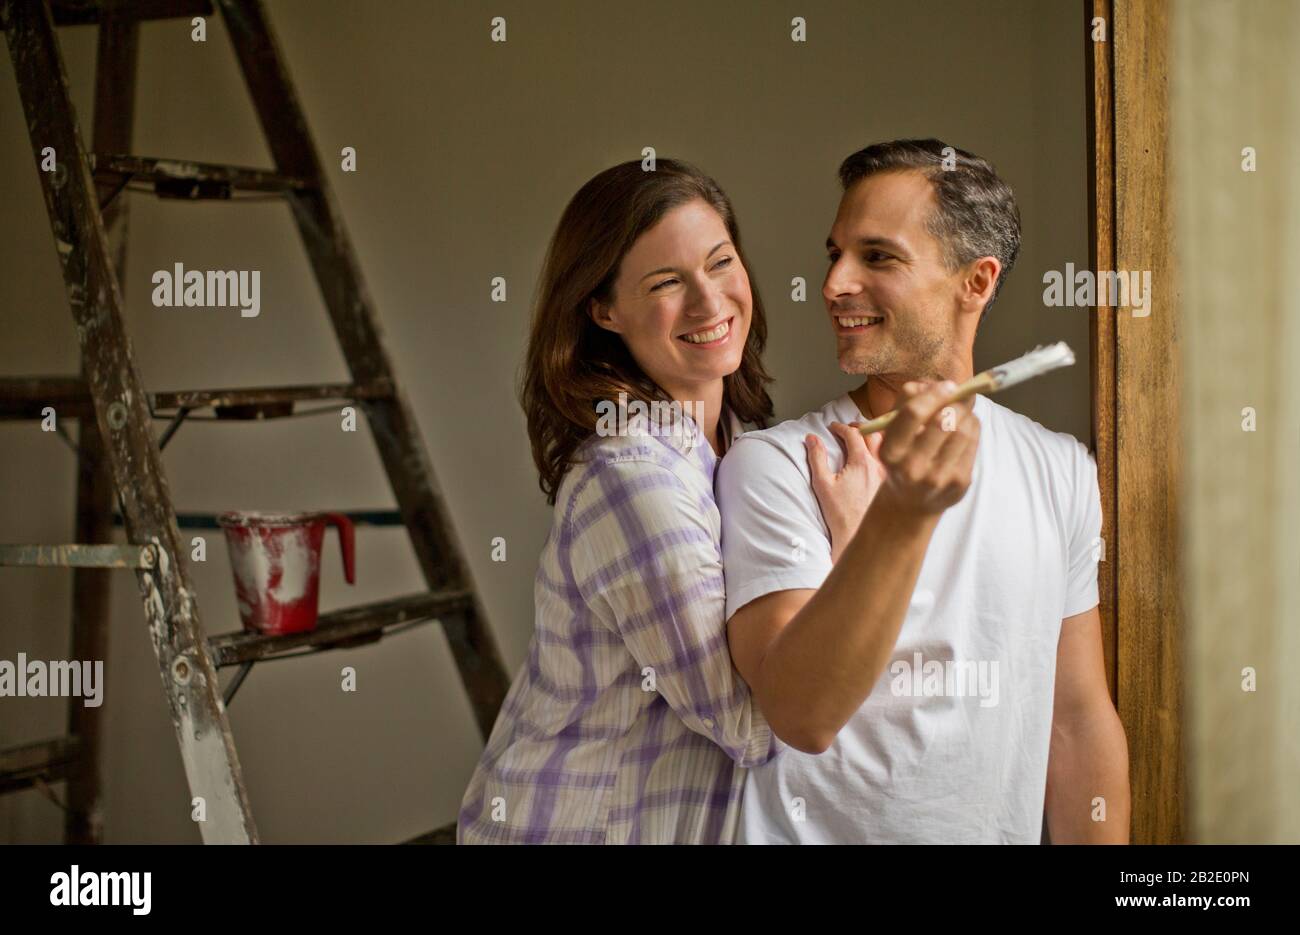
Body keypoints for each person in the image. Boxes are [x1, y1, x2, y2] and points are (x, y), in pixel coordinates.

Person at [716, 139, 1130, 844]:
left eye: (877, 257)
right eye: (835, 253)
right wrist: (900, 516)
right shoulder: (779, 465)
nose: (834, 283)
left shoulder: (1060, 470)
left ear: (977, 282)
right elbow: (801, 712)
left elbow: (1077, 718)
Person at [457, 158, 860, 843]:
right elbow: (753, 722)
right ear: (604, 308)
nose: (710, 302)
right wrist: (856, 549)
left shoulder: (738, 445)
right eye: (668, 282)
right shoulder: (633, 476)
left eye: (720, 262)